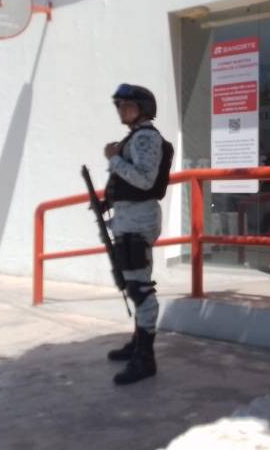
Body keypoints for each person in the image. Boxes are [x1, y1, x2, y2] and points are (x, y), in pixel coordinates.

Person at [103, 83, 173, 385]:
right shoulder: (134, 137)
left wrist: (113, 159)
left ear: (143, 108)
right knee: (132, 283)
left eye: (127, 105)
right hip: (128, 218)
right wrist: (108, 201)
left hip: (138, 219)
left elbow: (145, 180)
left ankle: (145, 358)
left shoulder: (145, 137)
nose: (121, 110)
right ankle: (137, 343)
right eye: (118, 105)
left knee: (140, 288)